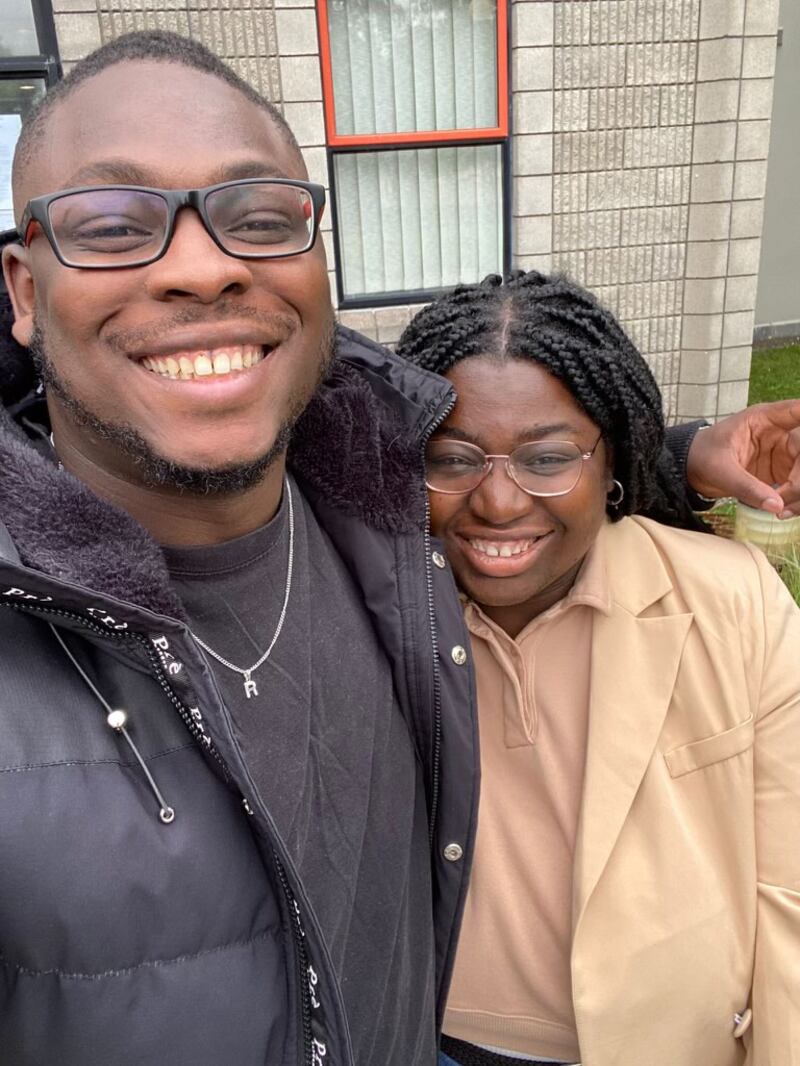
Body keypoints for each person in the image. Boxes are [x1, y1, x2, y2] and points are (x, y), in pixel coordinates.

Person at [0, 29, 798, 1066]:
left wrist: (671, 454)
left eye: (257, 216)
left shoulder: (371, 541)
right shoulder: (404, 559)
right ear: (20, 289)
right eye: (111, 224)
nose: (200, 268)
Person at [396, 271, 800, 1066]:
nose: (500, 502)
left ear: (613, 456)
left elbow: (791, 887)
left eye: (548, 458)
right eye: (454, 458)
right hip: (434, 1043)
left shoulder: (730, 599)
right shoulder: (367, 606)